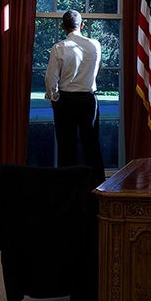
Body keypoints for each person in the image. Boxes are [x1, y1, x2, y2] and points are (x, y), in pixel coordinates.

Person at [44, 10, 105, 181]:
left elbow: (51, 78)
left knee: (67, 145)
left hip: (66, 99)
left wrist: (53, 97)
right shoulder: (95, 45)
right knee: (91, 144)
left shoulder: (59, 48)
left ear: (63, 27)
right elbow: (96, 70)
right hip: (88, 99)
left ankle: (68, 185)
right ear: (82, 25)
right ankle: (97, 185)